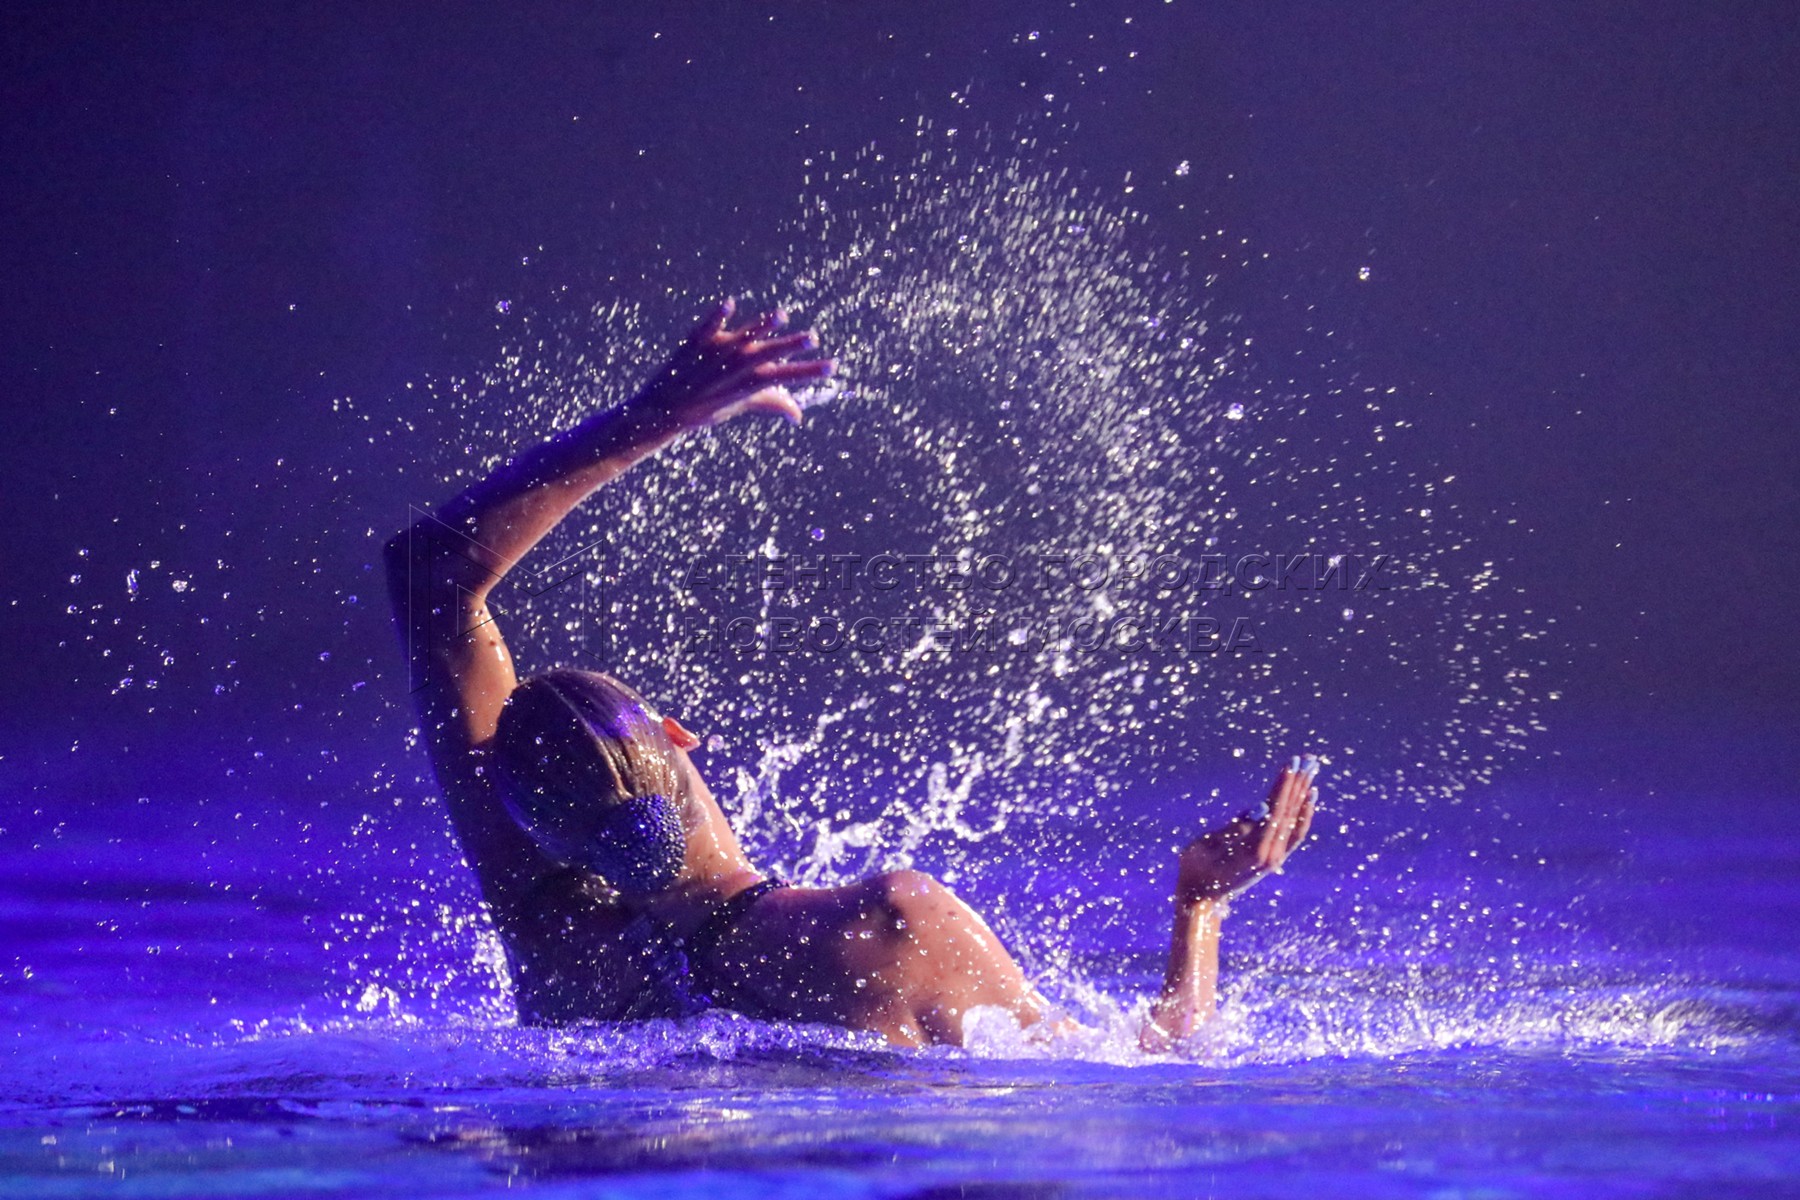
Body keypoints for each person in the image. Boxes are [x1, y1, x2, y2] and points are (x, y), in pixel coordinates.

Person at [383, 301, 1317, 1049]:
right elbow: (1147, 1071)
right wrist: (1199, 904)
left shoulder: (557, 954)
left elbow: (429, 577)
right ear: (677, 736)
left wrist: (647, 420)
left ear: (533, 831)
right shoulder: (890, 929)